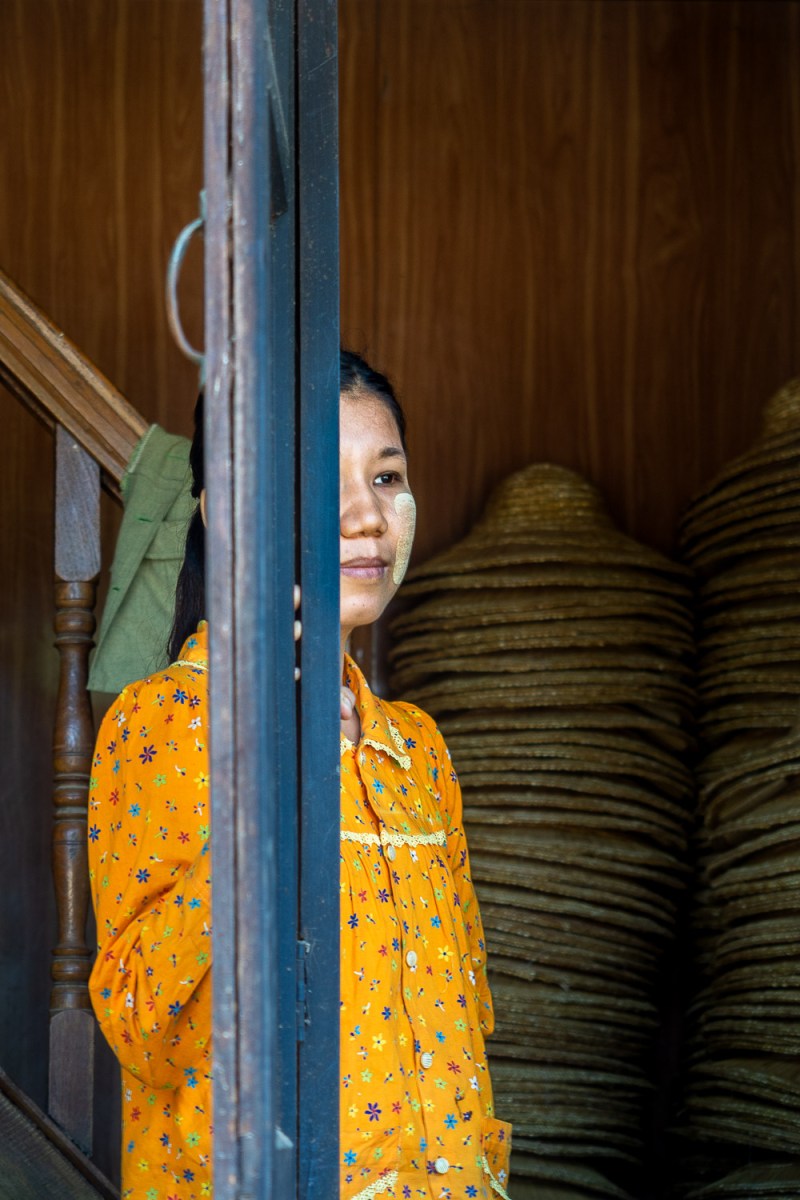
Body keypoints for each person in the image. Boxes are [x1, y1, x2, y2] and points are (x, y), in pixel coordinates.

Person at [87, 350, 512, 1200]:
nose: (368, 517)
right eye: (323, 482)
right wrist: (270, 801)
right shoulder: (166, 726)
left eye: (387, 477)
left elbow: (470, 1014)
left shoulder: (415, 746)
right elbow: (141, 1025)